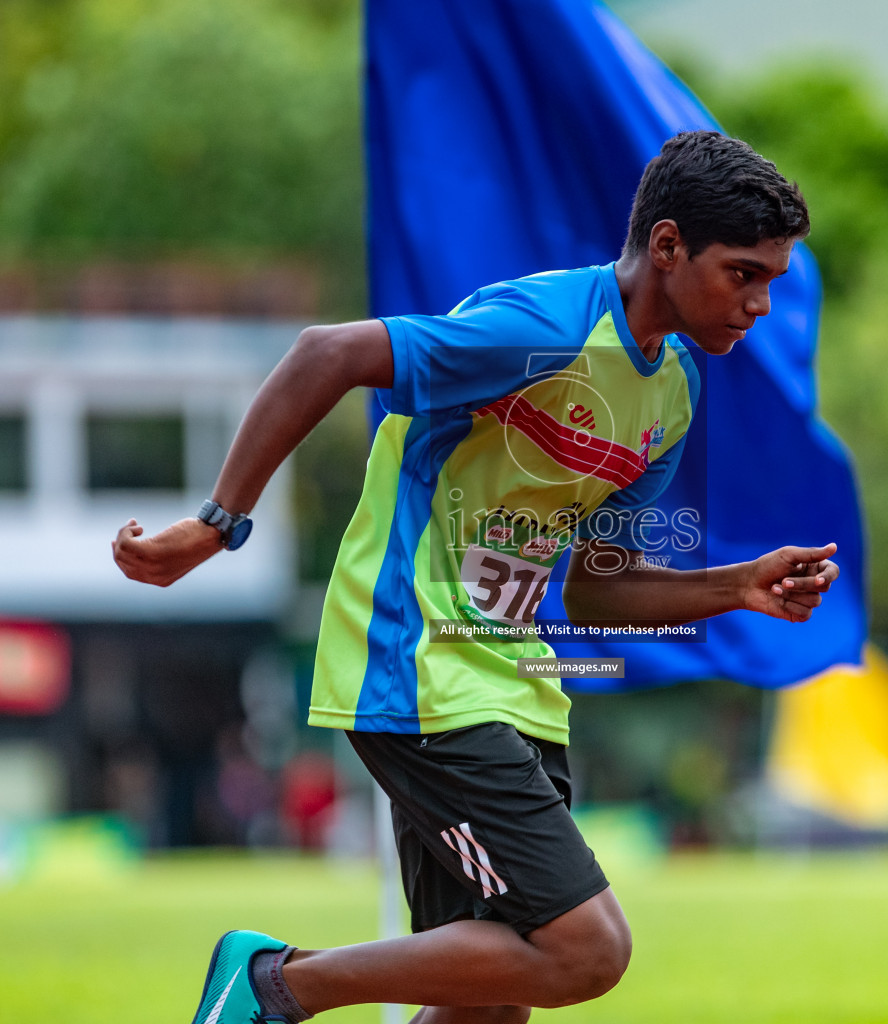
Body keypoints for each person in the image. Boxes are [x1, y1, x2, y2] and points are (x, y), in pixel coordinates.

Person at [113, 130, 840, 1023]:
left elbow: (593, 588)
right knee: (585, 949)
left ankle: (279, 988)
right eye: (743, 273)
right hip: (416, 657)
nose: (760, 304)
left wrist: (735, 585)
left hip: (515, 682)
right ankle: (277, 982)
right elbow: (325, 354)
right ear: (667, 246)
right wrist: (215, 527)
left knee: (489, 1000)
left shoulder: (673, 393)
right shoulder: (545, 329)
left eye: (772, 279)